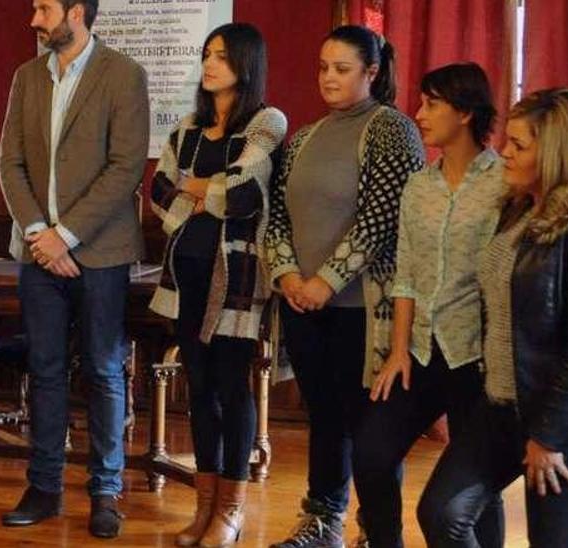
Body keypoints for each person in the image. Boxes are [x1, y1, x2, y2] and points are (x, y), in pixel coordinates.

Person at [417, 88, 568, 548]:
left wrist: (549, 435)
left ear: (556, 152)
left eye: (519, 145)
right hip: (504, 401)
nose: (504, 152)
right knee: (442, 512)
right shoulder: (521, 206)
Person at [261, 25, 425, 548]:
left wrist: (325, 283)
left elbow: (381, 221)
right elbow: (277, 215)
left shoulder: (392, 129)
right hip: (303, 305)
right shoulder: (306, 135)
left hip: (366, 309)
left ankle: (377, 532)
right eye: (323, 67)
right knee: (326, 418)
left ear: (371, 73)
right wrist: (288, 276)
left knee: (373, 431)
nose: (328, 78)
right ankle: (323, 519)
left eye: (342, 69)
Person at [0, 0, 149, 539]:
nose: (33, 20)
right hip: (39, 255)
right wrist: (41, 233)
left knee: (105, 372)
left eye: (43, 9)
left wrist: (67, 234)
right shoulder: (26, 76)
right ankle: (44, 486)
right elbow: (9, 162)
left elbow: (126, 165)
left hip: (101, 254)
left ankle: (105, 492)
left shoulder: (124, 74)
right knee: (44, 369)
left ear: (77, 12)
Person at [349, 62, 508, 548]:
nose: (419, 113)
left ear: (464, 112)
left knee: (475, 488)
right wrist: (397, 350)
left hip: (478, 358)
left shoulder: (504, 183)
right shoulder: (418, 186)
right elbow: (406, 275)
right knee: (371, 453)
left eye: (431, 104)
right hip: (417, 351)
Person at [146, 22, 286, 548]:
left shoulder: (266, 121)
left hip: (238, 277)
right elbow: (160, 194)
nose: (209, 64)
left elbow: (249, 190)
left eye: (222, 56)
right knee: (199, 389)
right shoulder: (185, 130)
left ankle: (232, 508)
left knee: (232, 386)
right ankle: (204, 506)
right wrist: (203, 192)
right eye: (206, 54)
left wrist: (202, 189)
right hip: (187, 276)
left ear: (246, 64)